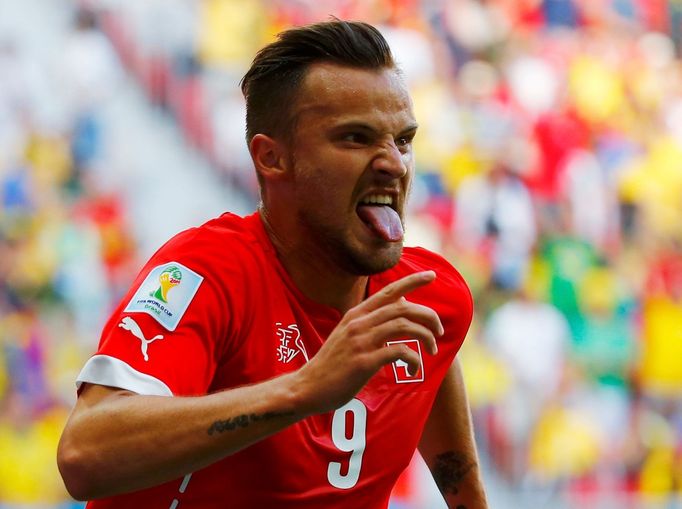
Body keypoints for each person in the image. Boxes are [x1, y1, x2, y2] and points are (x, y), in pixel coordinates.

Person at [57, 20, 488, 508]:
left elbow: (434, 353)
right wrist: (303, 390)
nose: (394, 163)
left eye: (403, 140)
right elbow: (84, 455)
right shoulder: (207, 273)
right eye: (355, 138)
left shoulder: (430, 294)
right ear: (272, 158)